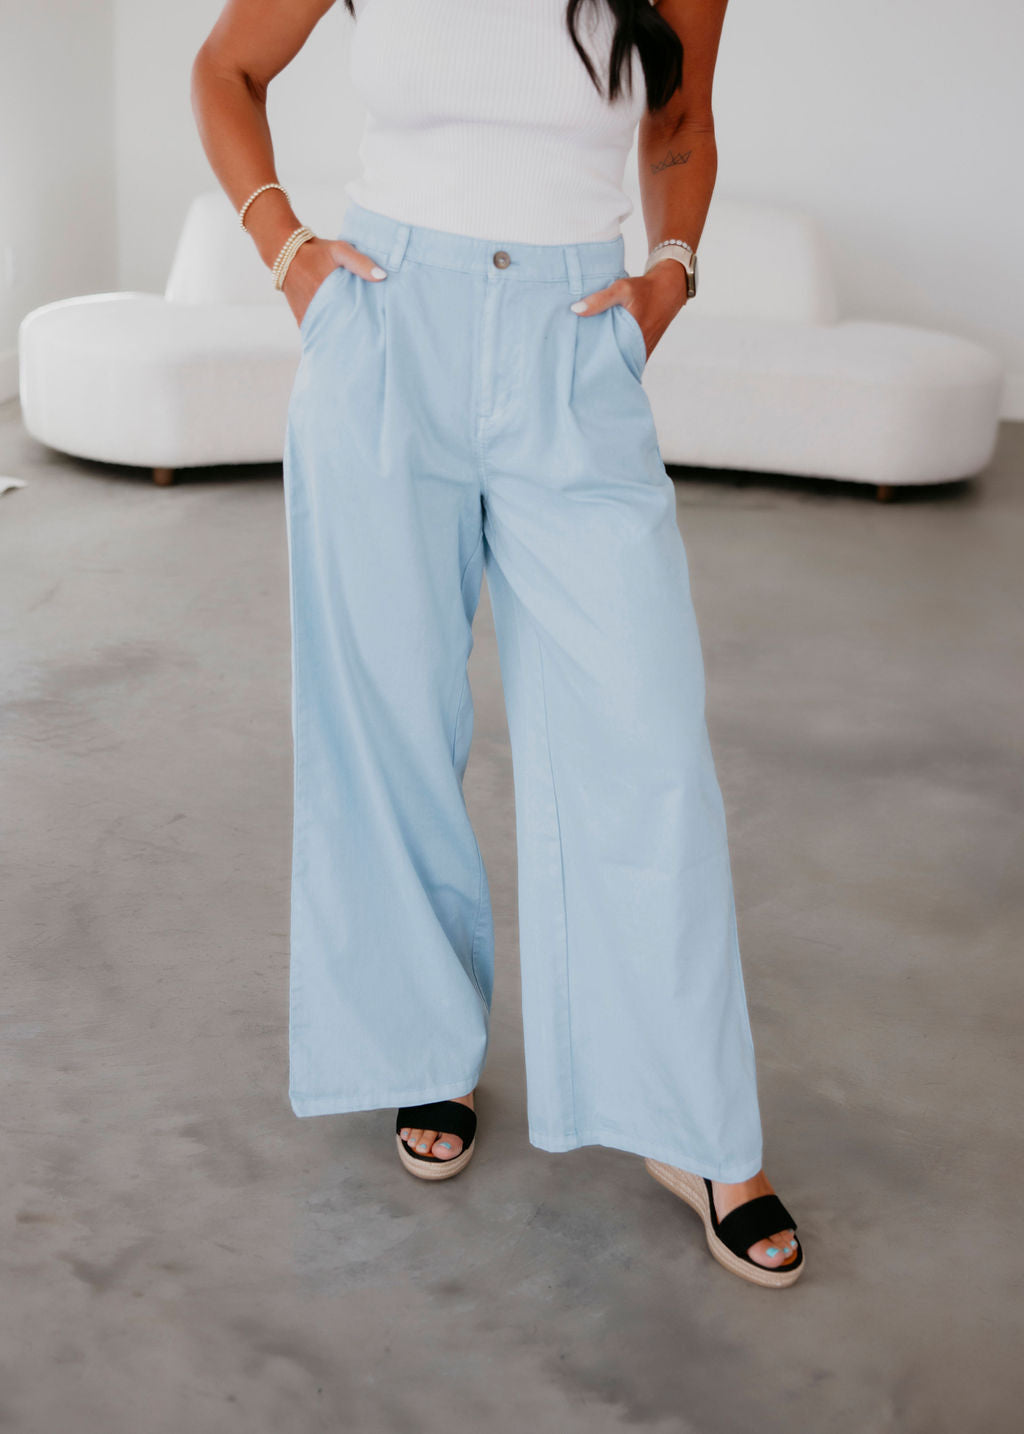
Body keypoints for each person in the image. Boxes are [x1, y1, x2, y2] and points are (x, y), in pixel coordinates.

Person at [191, 0, 804, 1288]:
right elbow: (227, 67)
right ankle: (421, 1046)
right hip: (384, 327)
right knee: (386, 720)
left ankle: (693, 1127)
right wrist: (291, 254)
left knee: (644, 742)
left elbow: (680, 123)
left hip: (574, 335)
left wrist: (671, 274)